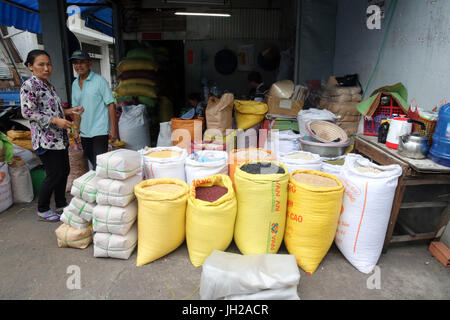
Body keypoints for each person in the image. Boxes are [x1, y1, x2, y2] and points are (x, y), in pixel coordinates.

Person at [20, 50, 84, 222]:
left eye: (48, 64)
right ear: (30, 66)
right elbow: (27, 112)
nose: (46, 68)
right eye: (41, 64)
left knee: (64, 171)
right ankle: (42, 208)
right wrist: (55, 120)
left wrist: (70, 111)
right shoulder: (29, 86)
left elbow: (54, 110)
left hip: (59, 139)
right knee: (54, 174)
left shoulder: (48, 85)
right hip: (45, 140)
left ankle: (61, 203)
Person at [70, 50, 117, 170]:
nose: (78, 65)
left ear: (89, 63)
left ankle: (102, 187)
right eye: (75, 63)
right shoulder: (75, 84)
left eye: (82, 62)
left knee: (99, 163)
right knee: (90, 158)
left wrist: (113, 128)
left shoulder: (99, 81)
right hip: (85, 131)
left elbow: (111, 105)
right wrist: (76, 129)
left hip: (100, 130)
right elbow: (76, 110)